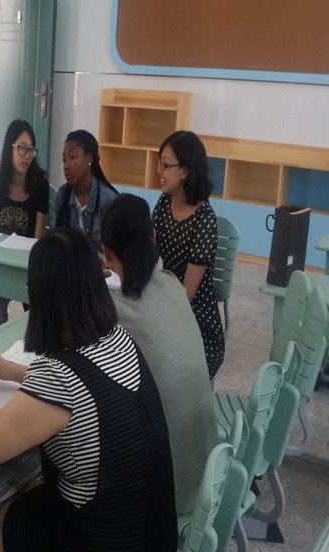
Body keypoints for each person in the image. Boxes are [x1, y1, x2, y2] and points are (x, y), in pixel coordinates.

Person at [0, 229, 177, 552]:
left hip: (99, 541)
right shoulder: (120, 339)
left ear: (34, 295)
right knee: (23, 489)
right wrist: (15, 371)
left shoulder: (58, 378)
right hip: (150, 535)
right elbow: (92, 388)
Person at [100, 193, 218, 515]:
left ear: (105, 250)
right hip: (210, 478)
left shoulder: (114, 314)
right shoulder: (172, 285)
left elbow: (74, 376)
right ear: (153, 237)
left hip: (168, 499)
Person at [152, 131, 225, 378]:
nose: (159, 171)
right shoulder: (164, 203)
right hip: (169, 304)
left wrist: (155, 313)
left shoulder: (204, 219)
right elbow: (149, 255)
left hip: (197, 322)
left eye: (165, 165)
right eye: (159, 164)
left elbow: (187, 295)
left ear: (184, 171)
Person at [0, 119, 49, 239]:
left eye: (31, 150)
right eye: (22, 148)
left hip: (28, 250)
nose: (27, 156)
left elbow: (38, 240)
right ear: (9, 148)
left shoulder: (40, 184)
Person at [54, 129, 118, 247]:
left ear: (89, 159)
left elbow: (115, 249)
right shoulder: (62, 195)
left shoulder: (108, 200)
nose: (66, 166)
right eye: (64, 160)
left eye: (72, 157)